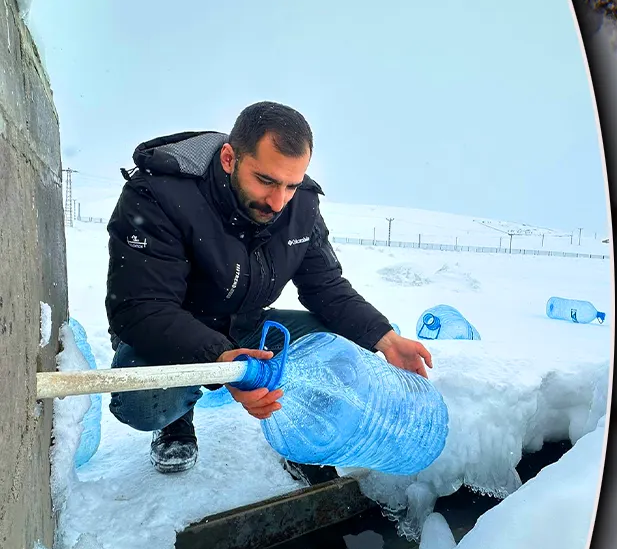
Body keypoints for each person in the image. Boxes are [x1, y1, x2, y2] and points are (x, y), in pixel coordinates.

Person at [104, 101, 433, 474]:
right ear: (229, 159)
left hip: (245, 323)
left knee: (344, 347)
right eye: (266, 181)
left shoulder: (301, 205)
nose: (278, 202)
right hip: (172, 332)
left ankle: (303, 433)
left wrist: (386, 339)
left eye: (291, 185)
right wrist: (223, 362)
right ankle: (176, 418)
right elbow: (141, 307)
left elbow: (325, 286)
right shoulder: (159, 194)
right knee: (143, 399)